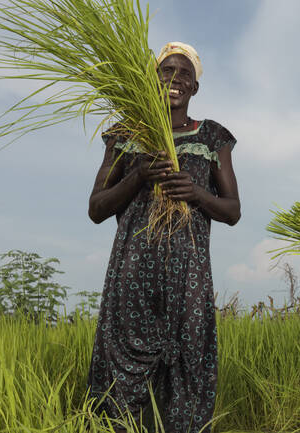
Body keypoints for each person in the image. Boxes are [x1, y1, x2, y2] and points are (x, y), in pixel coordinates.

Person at [86, 42, 240, 432]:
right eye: (166, 71)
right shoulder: (125, 134)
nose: (175, 79)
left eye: (184, 73)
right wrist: (139, 176)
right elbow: (97, 209)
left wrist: (196, 194)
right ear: (152, 80)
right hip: (132, 271)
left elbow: (233, 211)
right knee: (122, 372)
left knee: (188, 363)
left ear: (195, 88)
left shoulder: (211, 137)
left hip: (187, 274)